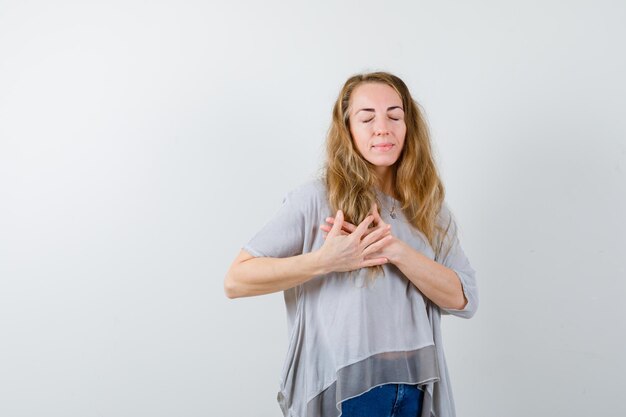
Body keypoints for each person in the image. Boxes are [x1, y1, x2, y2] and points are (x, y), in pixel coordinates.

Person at [224, 71, 479, 417]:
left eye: (394, 115)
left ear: (408, 126)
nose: (382, 128)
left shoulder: (430, 210)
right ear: (347, 129)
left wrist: (396, 251)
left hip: (416, 391)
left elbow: (464, 299)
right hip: (349, 393)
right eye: (367, 117)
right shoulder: (316, 200)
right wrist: (325, 260)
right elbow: (237, 280)